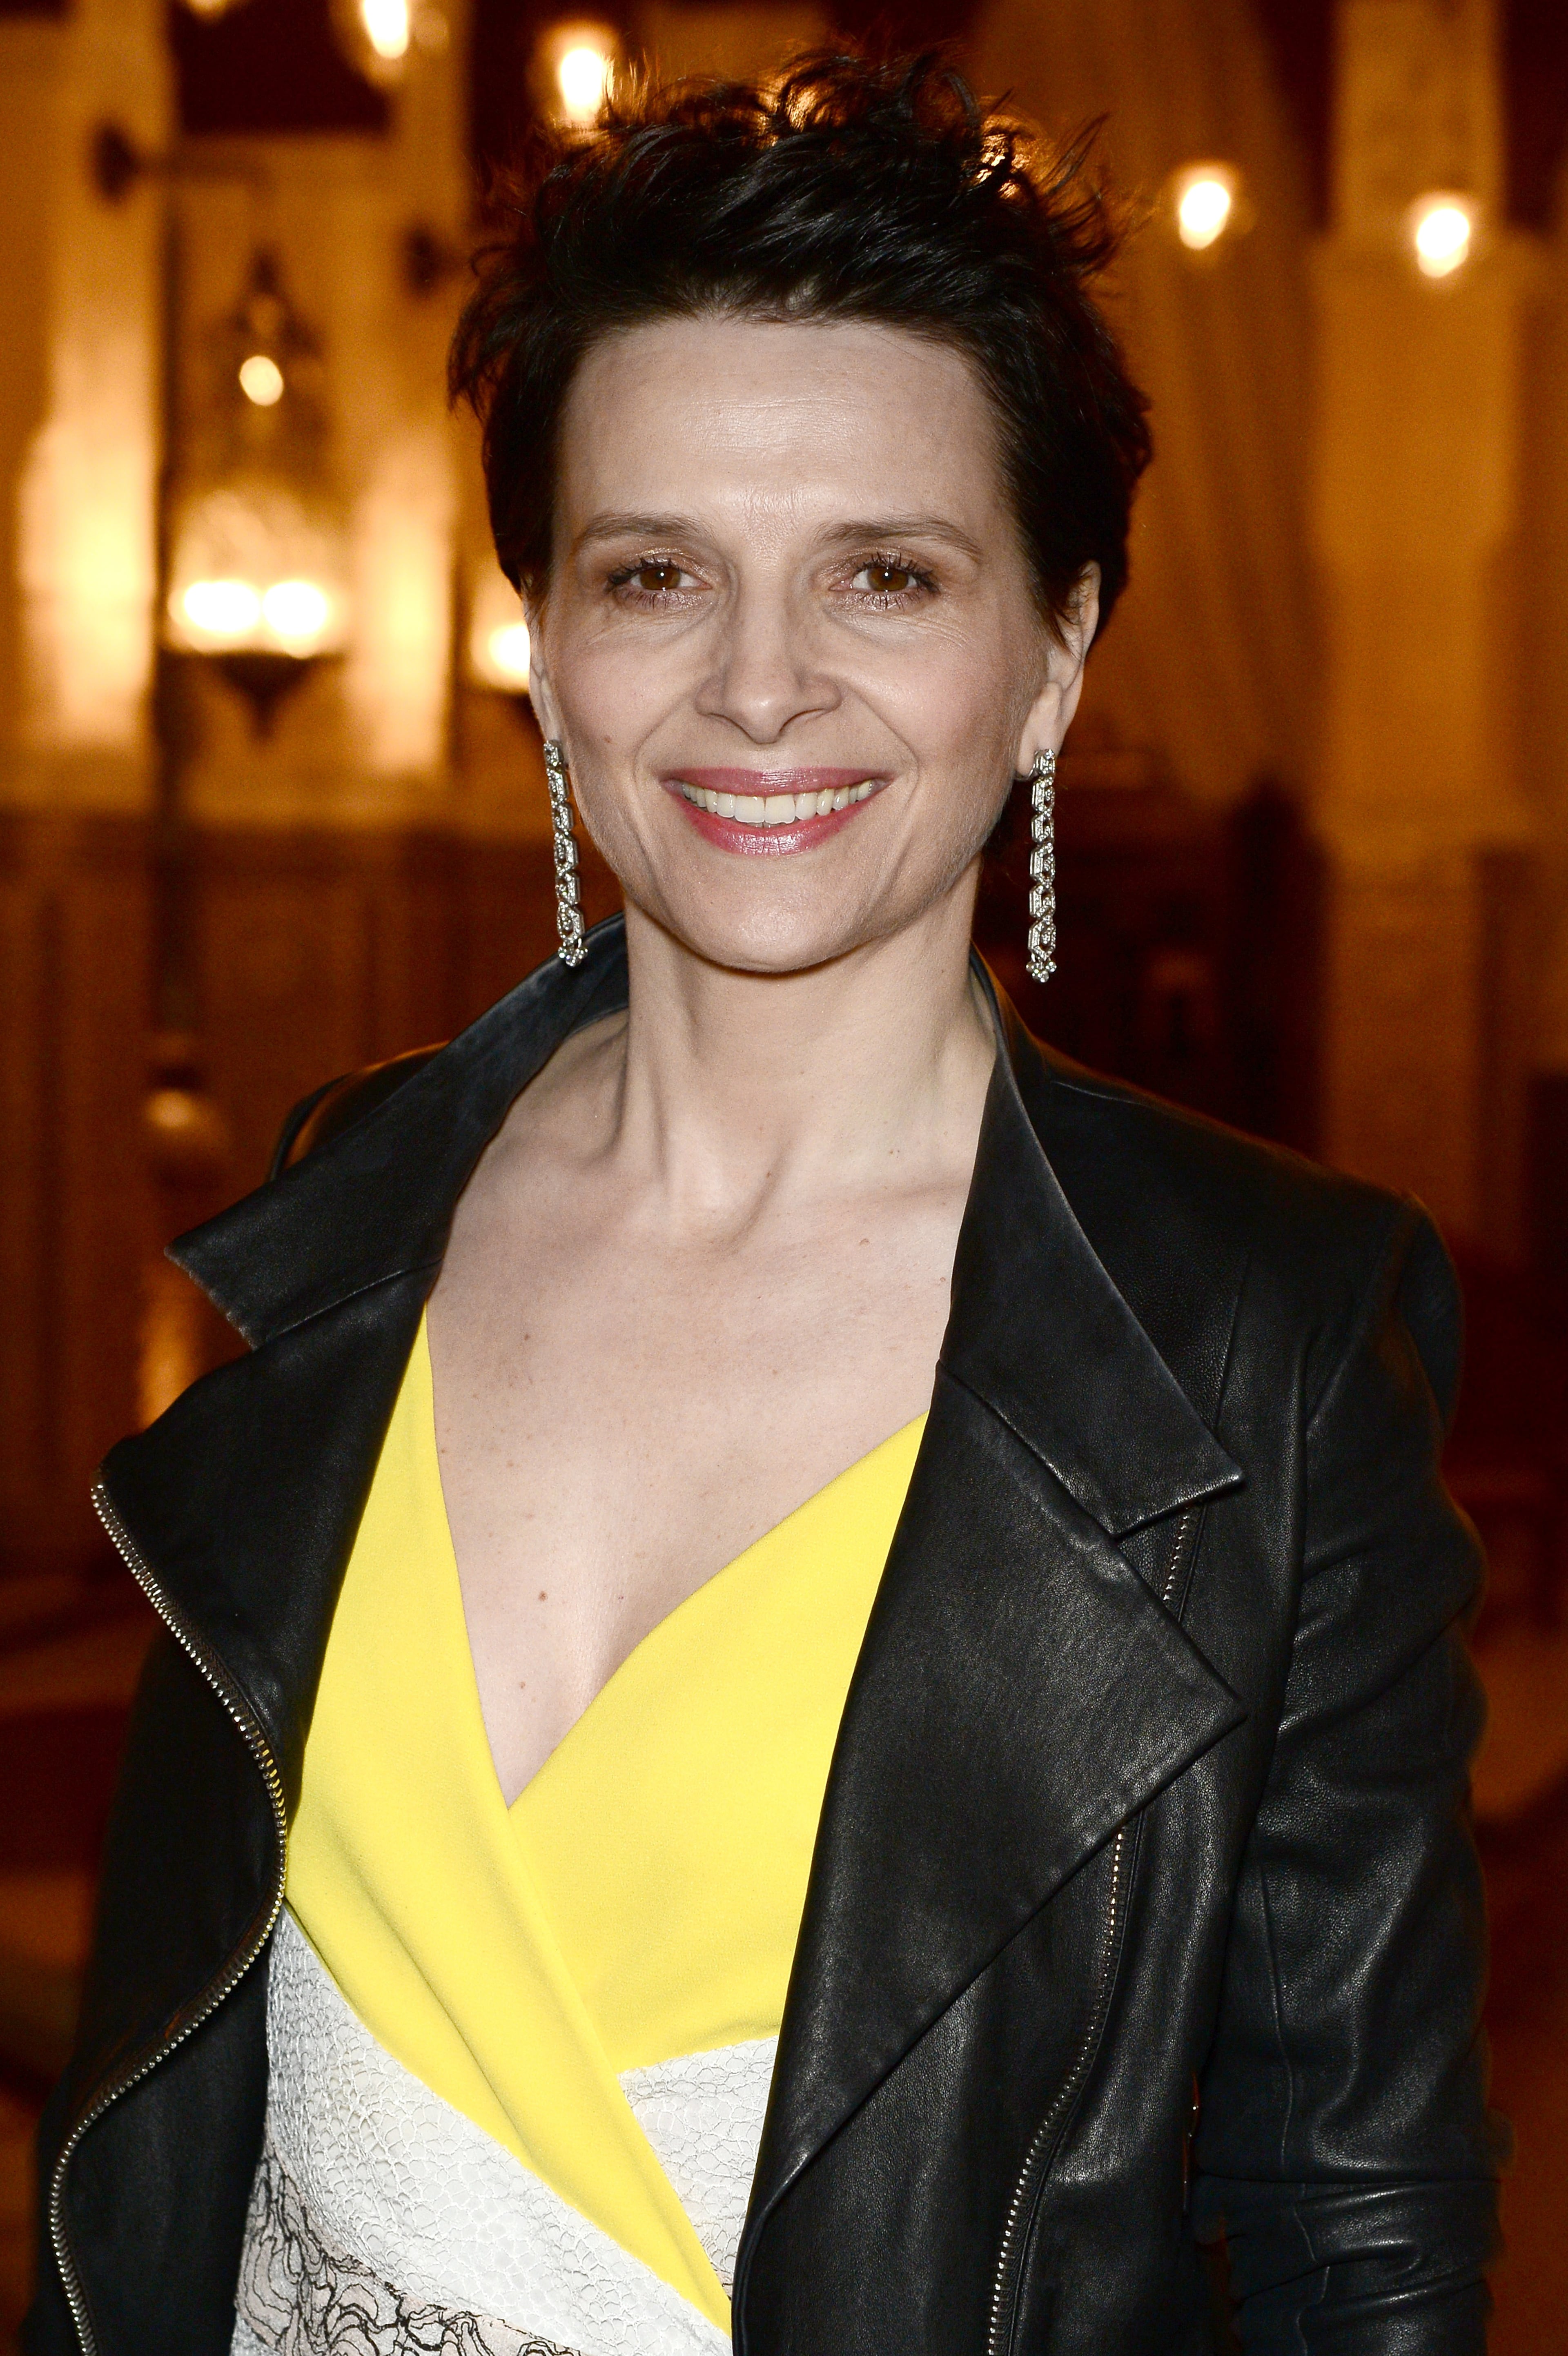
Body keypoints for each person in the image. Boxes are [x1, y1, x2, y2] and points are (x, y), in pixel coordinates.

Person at [29, 51, 1501, 2356]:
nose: (758, 688)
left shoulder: (1266, 1342)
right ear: (546, 637)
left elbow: (1354, 2235)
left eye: (888, 576)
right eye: (655, 574)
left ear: (1057, 655)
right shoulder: (354, 1209)